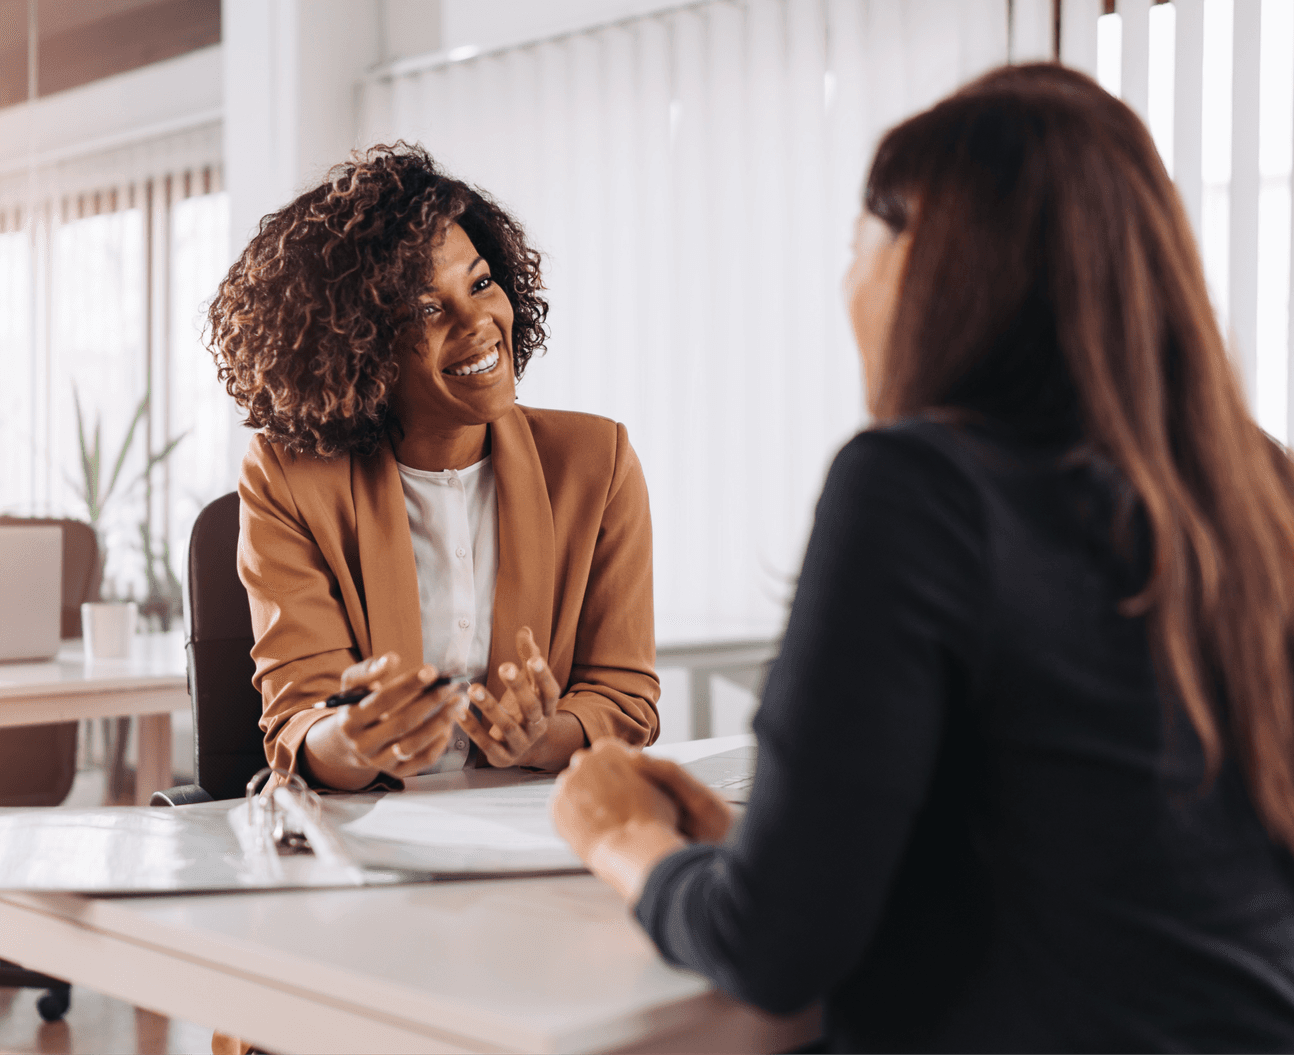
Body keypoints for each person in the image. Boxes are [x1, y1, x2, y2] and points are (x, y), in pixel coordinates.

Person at [552, 63, 1294, 1053]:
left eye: (856, 244)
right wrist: (764, 850)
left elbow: (772, 946)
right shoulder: (1258, 489)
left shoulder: (917, 485)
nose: (844, 283)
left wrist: (618, 835)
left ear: (920, 265)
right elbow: (1104, 860)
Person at [206, 143, 659, 794]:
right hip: (366, 842)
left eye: (480, 283)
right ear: (357, 346)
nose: (479, 323)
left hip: (537, 837)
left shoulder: (596, 462)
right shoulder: (289, 477)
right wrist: (357, 737)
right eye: (426, 308)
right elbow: (298, 724)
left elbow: (625, 700)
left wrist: (542, 735)